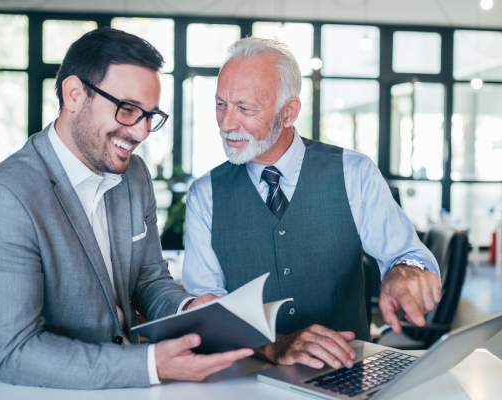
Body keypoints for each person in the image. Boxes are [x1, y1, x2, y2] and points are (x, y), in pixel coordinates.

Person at [0, 28, 252, 390]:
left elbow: (149, 281)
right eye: (128, 110)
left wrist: (189, 309)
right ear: (74, 94)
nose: (142, 132)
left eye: (150, 115)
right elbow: (16, 353)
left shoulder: (134, 175)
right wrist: (149, 364)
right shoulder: (2, 199)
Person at [182, 38, 441, 371]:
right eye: (221, 104)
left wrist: (405, 270)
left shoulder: (354, 172)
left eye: (244, 109)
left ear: (288, 112)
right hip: (245, 381)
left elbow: (408, 253)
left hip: (346, 375)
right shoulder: (205, 194)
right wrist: (273, 344)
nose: (226, 123)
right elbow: (207, 309)